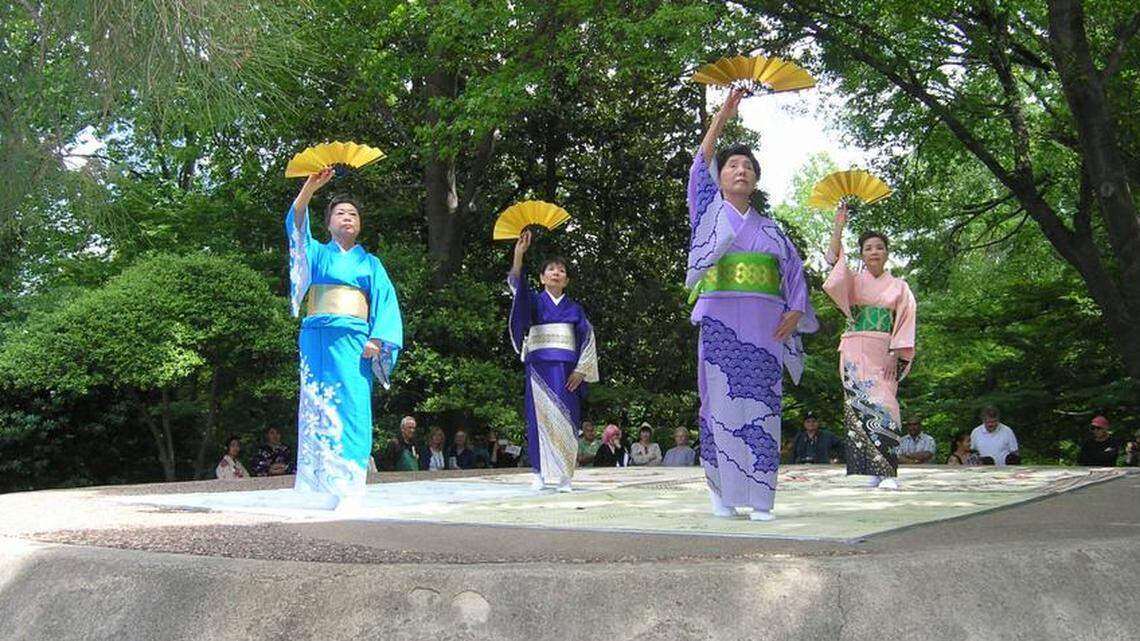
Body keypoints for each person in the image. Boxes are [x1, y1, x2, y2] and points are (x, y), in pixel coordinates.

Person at [686, 88, 818, 521]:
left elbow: (796, 276)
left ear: (756, 180)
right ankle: (721, 494)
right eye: (732, 165)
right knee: (718, 405)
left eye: (747, 166)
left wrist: (795, 311)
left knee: (762, 407)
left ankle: (761, 497)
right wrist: (725, 112)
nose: (739, 170)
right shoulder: (709, 215)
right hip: (721, 322)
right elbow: (698, 163)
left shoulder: (773, 232)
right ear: (720, 176)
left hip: (765, 329)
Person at [286, 168, 403, 509]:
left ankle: (350, 486)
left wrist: (378, 340)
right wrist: (309, 188)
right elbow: (296, 226)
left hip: (354, 340)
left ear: (360, 224)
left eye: (353, 214)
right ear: (328, 223)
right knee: (316, 407)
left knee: (352, 407)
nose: (347, 218)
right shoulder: (318, 253)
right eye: (340, 213)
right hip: (316, 338)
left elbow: (386, 303)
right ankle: (322, 487)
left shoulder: (371, 264)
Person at [823, 202, 916, 490]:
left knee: (886, 404)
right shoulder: (853, 280)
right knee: (860, 406)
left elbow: (906, 320)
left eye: (879, 247)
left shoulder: (899, 286)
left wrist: (895, 352)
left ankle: (888, 469)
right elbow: (832, 261)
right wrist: (839, 225)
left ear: (887, 253)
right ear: (862, 254)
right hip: (853, 347)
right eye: (868, 248)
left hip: (883, 349)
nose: (874, 251)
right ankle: (873, 469)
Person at [508, 230, 600, 492]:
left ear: (566, 280)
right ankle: (537, 472)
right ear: (542, 277)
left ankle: (564, 476)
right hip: (538, 368)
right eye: (550, 269)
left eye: (561, 270)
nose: (556, 273)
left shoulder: (574, 309)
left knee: (568, 418)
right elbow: (517, 290)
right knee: (537, 419)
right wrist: (519, 254)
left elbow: (587, 337)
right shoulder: (534, 302)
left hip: (567, 370)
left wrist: (582, 370)